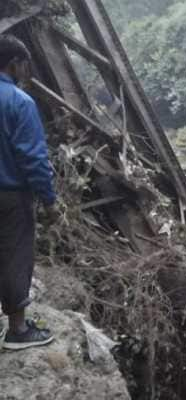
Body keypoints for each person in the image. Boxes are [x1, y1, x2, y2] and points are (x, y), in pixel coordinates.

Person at [0, 34, 58, 350]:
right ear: (15, 64)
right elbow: (34, 158)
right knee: (15, 255)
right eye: (25, 65)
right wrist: (49, 202)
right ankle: (18, 330)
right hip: (9, 195)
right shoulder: (19, 102)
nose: (26, 71)